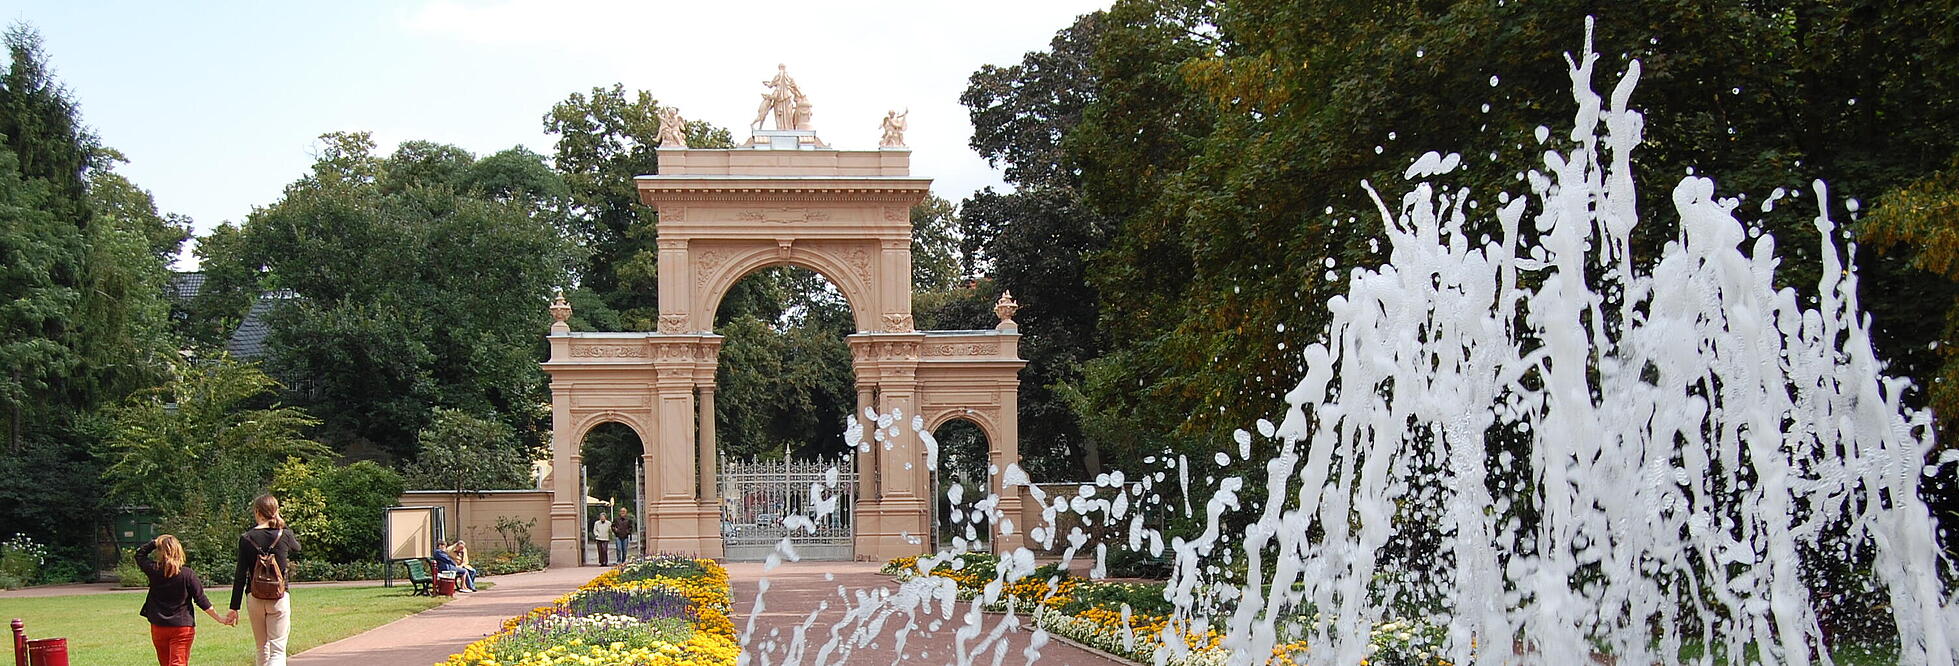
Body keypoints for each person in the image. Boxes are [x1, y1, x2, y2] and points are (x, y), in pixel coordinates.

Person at [227, 495, 300, 666]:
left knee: (262, 648)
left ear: (257, 512)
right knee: (278, 651)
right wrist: (281, 524)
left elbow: (240, 576)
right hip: (279, 596)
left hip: (255, 597)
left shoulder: (246, 538)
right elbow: (298, 548)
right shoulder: (285, 534)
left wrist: (234, 607)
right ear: (276, 511)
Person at [137, 535, 230, 666]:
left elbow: (140, 555)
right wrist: (219, 618)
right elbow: (201, 600)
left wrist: (154, 542)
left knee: (164, 662)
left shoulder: (154, 570)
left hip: (158, 625)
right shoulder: (187, 574)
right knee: (178, 662)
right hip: (182, 626)